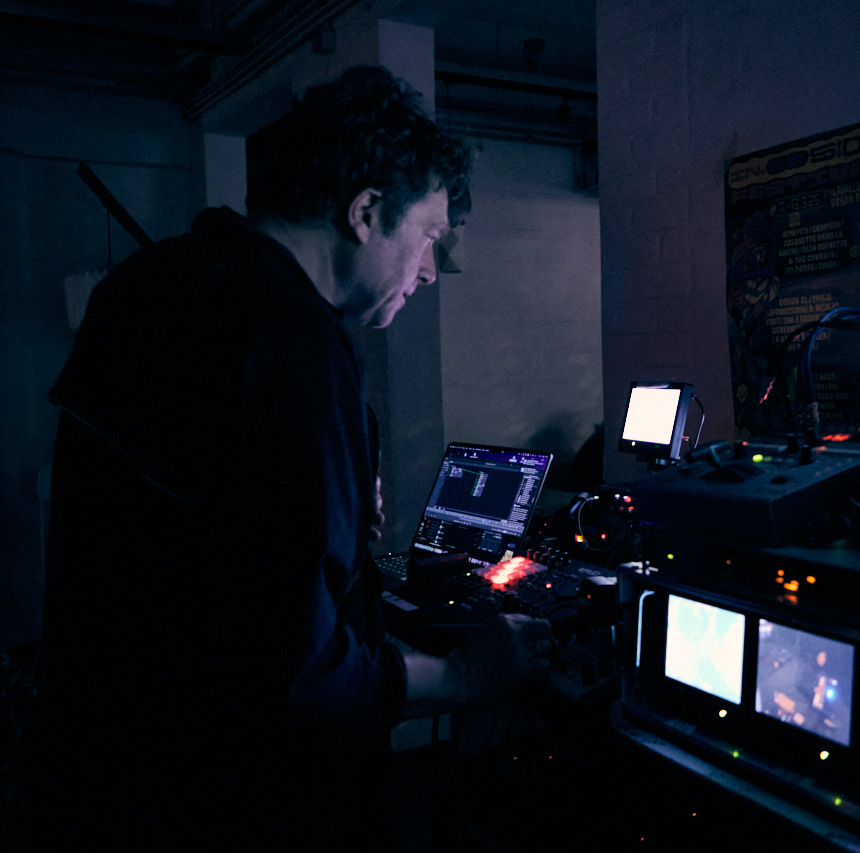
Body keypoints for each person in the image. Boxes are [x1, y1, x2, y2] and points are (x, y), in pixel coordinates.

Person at [29, 66, 552, 851]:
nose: (429, 270)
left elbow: (182, 533)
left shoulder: (144, 283)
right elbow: (293, 674)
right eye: (429, 237)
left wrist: (332, 531)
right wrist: (469, 674)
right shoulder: (295, 345)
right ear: (366, 212)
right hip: (231, 800)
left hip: (102, 772)